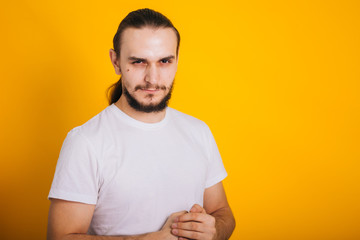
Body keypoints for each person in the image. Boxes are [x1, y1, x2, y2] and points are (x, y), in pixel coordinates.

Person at [47, 8, 235, 240]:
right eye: (138, 62)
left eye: (165, 61)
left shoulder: (199, 131)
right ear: (116, 62)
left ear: (177, 61)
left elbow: (222, 214)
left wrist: (214, 230)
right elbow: (60, 237)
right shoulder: (85, 142)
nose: (153, 79)